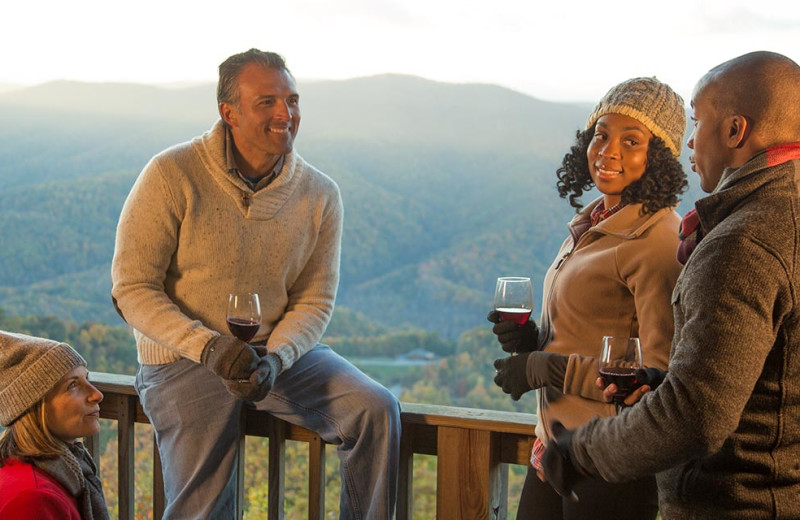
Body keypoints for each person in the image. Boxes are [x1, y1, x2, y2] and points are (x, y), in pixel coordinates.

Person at [110, 49, 400, 519]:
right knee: (203, 510)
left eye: (292, 100)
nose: (286, 113)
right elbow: (132, 288)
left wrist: (279, 356)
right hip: (185, 356)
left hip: (272, 353)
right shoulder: (171, 174)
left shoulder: (320, 194)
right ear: (229, 112)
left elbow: (315, 298)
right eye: (267, 102)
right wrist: (208, 348)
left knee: (375, 410)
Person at [542, 51, 800, 519]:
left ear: (735, 131)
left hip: (738, 503)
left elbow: (697, 415)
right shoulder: (783, 216)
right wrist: (662, 382)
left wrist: (581, 450)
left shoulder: (743, 242)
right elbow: (767, 375)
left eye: (698, 124)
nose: (691, 143)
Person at [489, 77, 688, 519]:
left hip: (610, 461)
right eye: (601, 134)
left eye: (631, 141)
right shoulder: (594, 223)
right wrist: (532, 341)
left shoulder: (657, 242)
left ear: (659, 158)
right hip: (556, 447)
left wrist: (542, 367)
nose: (608, 150)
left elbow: (657, 378)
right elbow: (590, 333)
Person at [0, 330, 109, 520]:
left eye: (87, 379)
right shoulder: (31, 499)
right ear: (35, 407)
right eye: (72, 385)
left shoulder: (62, 473)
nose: (97, 395)